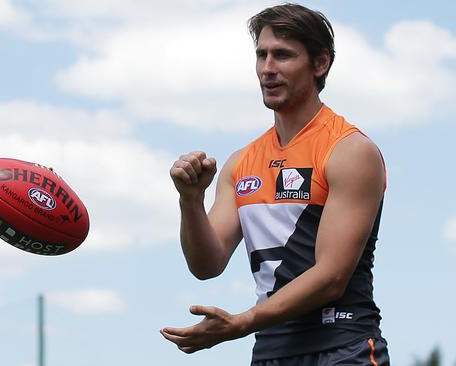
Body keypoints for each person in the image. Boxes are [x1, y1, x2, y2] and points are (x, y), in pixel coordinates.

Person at [162, 3, 390, 365]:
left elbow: (332, 277)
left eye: (283, 56)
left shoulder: (349, 151)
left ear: (320, 64)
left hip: (342, 347)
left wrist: (241, 323)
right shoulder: (241, 163)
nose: (268, 69)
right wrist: (190, 200)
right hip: (271, 352)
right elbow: (206, 264)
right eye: (262, 55)